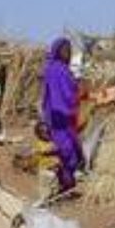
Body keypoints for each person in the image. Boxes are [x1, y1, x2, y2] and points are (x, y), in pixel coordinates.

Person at [41, 37, 84, 193]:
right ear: (57, 52)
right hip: (57, 116)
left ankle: (66, 182)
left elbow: (72, 91)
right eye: (64, 50)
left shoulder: (66, 71)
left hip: (68, 118)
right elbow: (52, 95)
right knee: (64, 149)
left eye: (69, 51)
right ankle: (62, 182)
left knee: (73, 152)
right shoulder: (52, 69)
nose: (67, 54)